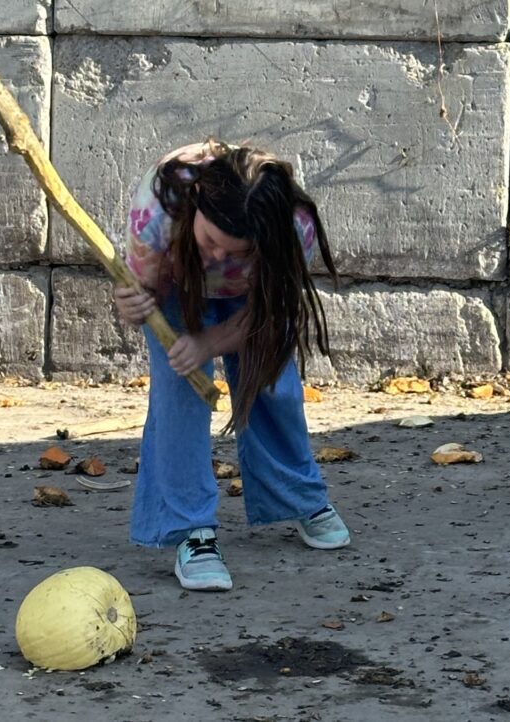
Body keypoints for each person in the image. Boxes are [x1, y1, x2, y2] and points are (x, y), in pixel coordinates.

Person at [113, 138, 350, 592]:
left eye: (237, 252)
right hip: (180, 290)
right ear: (196, 208)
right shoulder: (158, 208)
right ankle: (191, 531)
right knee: (178, 395)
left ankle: (300, 496)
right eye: (211, 242)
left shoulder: (293, 228)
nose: (219, 257)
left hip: (254, 299)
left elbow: (273, 312)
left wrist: (212, 341)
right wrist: (132, 305)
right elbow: (144, 297)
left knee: (273, 386)